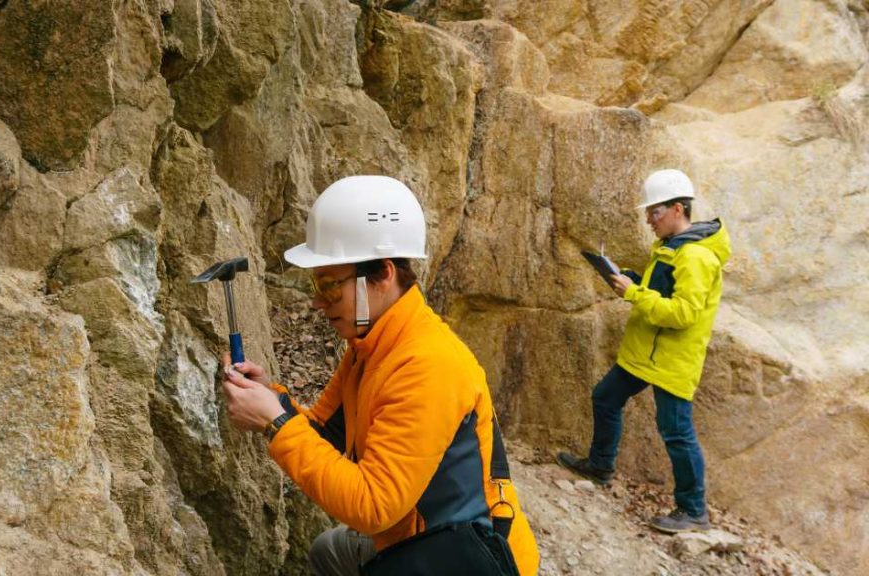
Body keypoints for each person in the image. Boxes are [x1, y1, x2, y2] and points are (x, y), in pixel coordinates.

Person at [220, 175, 539, 575]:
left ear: (383, 274)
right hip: (419, 535)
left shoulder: (428, 365)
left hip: (469, 559)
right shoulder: (371, 345)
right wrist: (274, 399)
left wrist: (274, 423)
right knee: (329, 551)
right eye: (316, 283)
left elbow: (373, 506)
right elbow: (324, 434)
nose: (318, 301)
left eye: (330, 285)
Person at [558, 168, 732, 533]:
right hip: (646, 355)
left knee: (676, 431)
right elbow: (664, 292)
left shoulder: (696, 257)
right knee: (606, 398)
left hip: (671, 360)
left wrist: (634, 293)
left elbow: (683, 313)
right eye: (649, 211)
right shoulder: (672, 248)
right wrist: (632, 280)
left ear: (678, 209)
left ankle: (693, 510)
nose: (648, 219)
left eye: (654, 211)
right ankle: (601, 466)